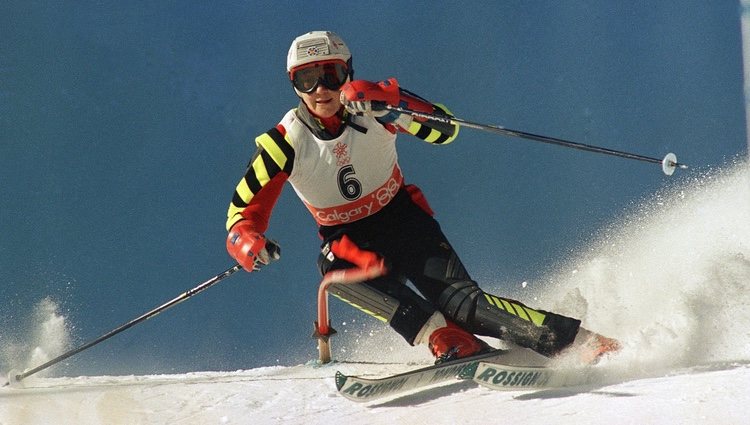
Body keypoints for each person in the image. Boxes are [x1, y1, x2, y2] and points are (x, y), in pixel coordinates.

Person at [225, 31, 619, 364]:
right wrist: (247, 242)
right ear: (293, 84)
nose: (320, 89)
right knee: (334, 276)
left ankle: (579, 343)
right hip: (347, 239)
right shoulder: (284, 142)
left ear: (348, 72)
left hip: (404, 220)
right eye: (306, 79)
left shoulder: (374, 105)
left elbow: (445, 129)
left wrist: (391, 106)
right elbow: (242, 211)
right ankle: (445, 337)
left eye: (331, 74)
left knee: (465, 305)